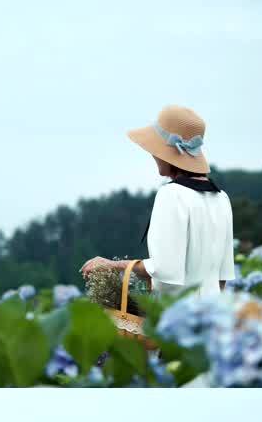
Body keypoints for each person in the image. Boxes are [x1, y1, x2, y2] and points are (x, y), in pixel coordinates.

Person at [80, 104, 235, 297]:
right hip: (213, 315)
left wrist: (112, 265)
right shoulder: (221, 198)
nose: (153, 154)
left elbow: (164, 269)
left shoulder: (172, 195)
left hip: (178, 315)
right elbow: (223, 278)